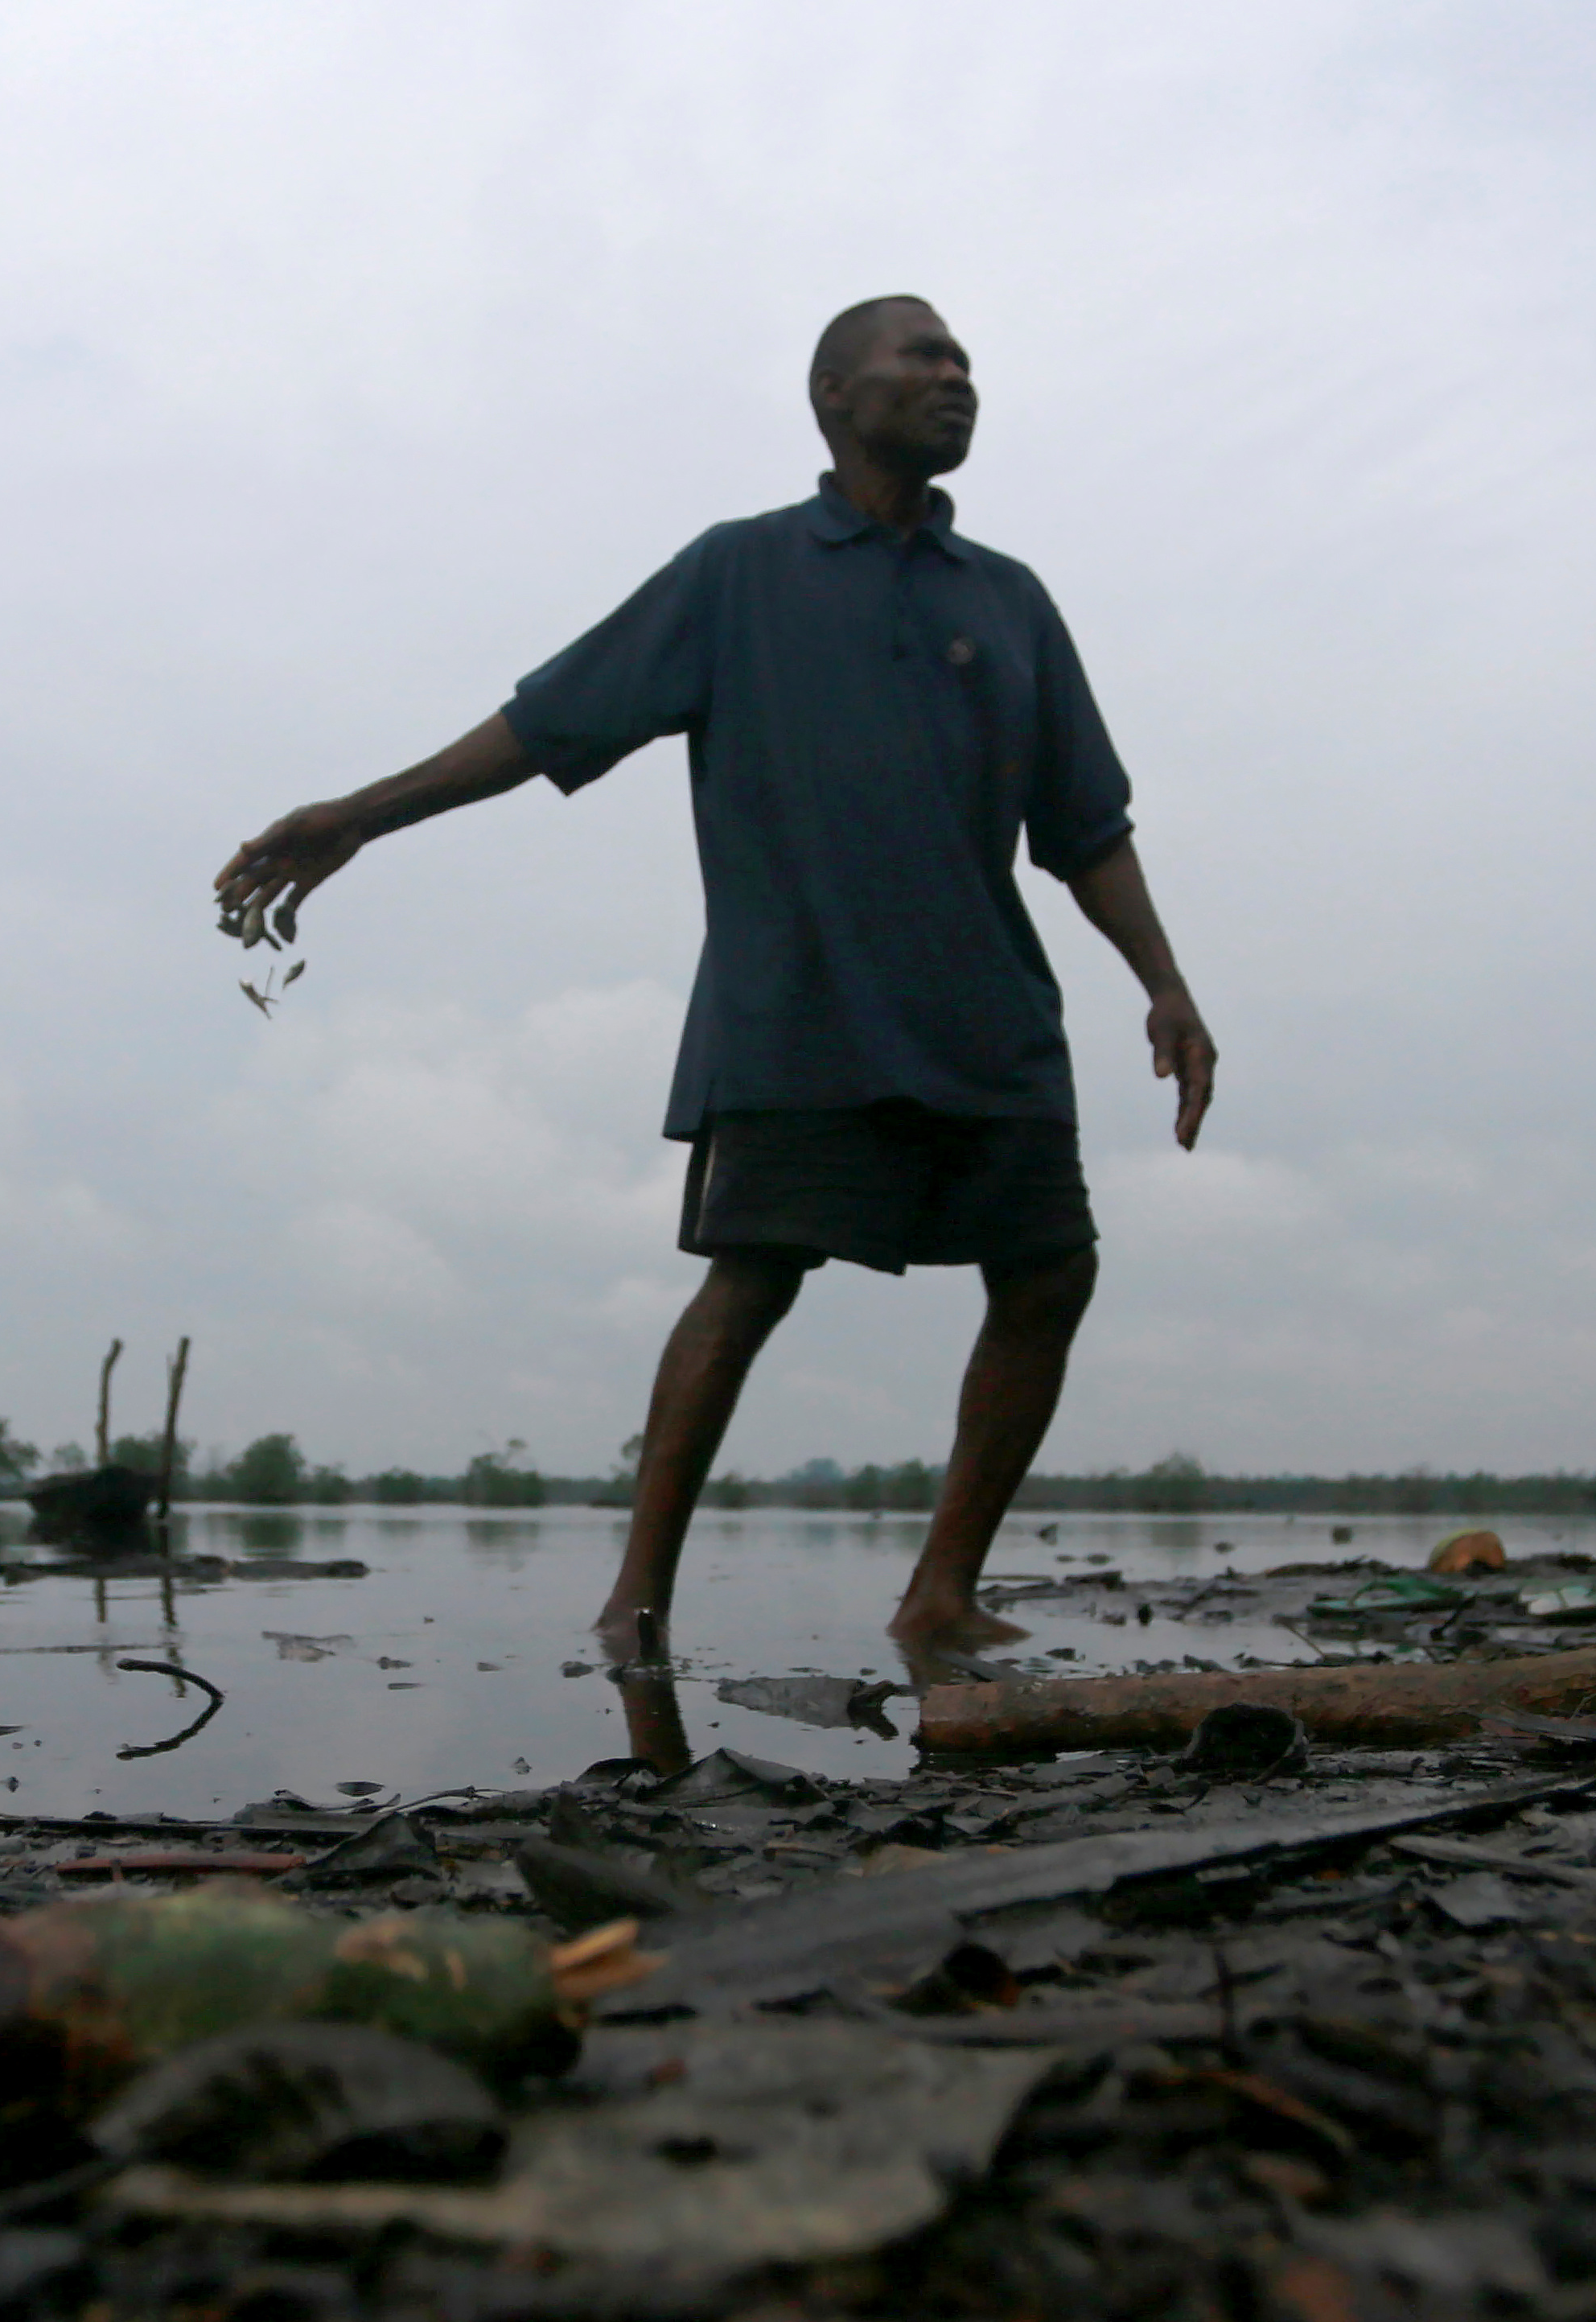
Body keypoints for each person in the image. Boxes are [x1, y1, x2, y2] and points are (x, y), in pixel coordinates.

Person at [214, 296, 1216, 1667]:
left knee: (1049, 1274)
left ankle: (938, 1592)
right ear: (828, 392)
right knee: (748, 1281)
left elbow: (1085, 825)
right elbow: (547, 720)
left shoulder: (1010, 599)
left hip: (989, 1017)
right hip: (797, 1014)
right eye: (922, 357)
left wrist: (1163, 983)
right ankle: (636, 1599)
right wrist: (360, 815)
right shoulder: (738, 575)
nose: (955, 379)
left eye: (966, 361)